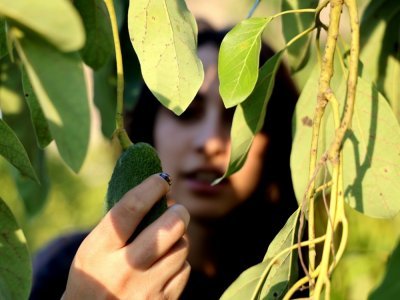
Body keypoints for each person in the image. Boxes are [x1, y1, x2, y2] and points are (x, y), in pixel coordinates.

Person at [29, 20, 299, 300]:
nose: (210, 143)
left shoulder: (295, 280)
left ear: (276, 140)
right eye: (187, 113)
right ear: (150, 127)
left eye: (240, 120)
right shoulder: (66, 271)